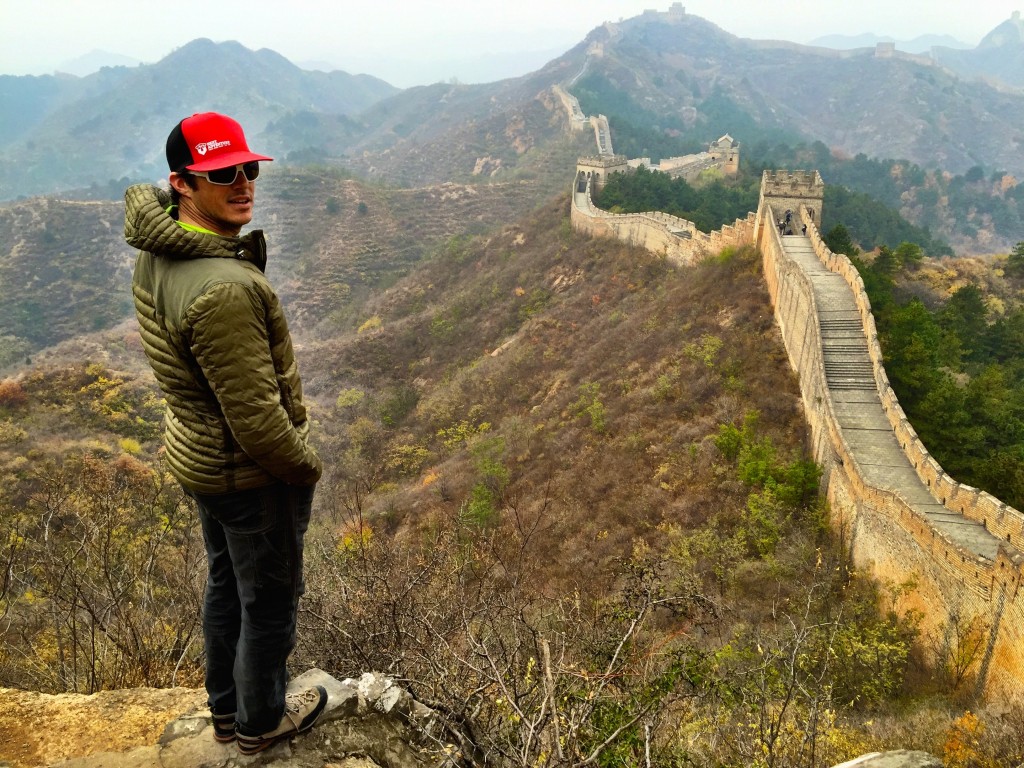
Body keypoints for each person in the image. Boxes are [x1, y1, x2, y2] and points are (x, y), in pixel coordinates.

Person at [125, 112, 327, 755]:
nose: (242, 183)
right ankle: (261, 722)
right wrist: (304, 467)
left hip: (203, 459)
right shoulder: (224, 288)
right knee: (269, 601)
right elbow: (258, 421)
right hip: (248, 470)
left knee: (225, 585)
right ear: (183, 183)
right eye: (221, 174)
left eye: (247, 168)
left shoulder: (163, 251)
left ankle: (225, 711)